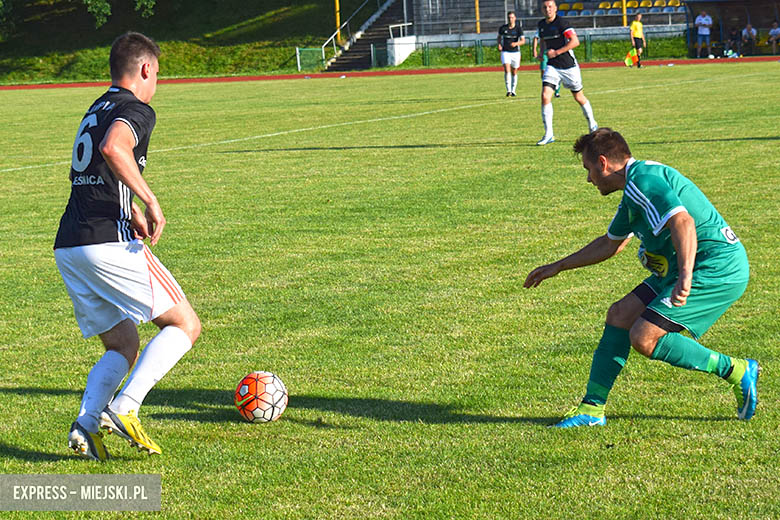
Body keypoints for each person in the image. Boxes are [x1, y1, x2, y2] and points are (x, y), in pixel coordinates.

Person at [524, 128, 758, 428]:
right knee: (620, 315)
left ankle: (738, 371)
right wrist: (558, 265)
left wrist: (685, 276)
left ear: (603, 163)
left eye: (588, 169)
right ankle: (591, 410)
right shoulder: (635, 188)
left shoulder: (643, 182)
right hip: (680, 268)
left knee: (643, 337)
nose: (588, 179)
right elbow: (610, 243)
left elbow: (682, 221)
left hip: (715, 268)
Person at [55, 32, 201, 461]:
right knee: (184, 325)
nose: (157, 83)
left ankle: (86, 423)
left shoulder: (97, 105)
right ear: (145, 69)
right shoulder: (135, 108)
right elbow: (114, 148)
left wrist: (128, 206)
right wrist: (149, 200)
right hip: (105, 242)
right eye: (158, 74)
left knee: (122, 343)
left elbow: (91, 169)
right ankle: (125, 407)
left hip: (70, 246)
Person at [533, 0, 597, 146]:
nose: (547, 9)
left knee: (579, 97)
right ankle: (549, 134)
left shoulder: (563, 23)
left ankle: (592, 124)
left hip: (568, 66)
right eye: (544, 7)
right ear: (542, 10)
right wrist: (542, 52)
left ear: (555, 8)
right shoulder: (542, 25)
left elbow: (575, 42)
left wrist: (556, 52)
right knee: (545, 96)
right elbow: (543, 40)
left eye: (550, 7)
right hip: (553, 66)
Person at [497, 11, 526, 97]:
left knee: (514, 71)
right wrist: (499, 44)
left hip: (516, 52)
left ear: (515, 18)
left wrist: (516, 44)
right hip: (505, 52)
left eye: (512, 17)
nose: (511, 19)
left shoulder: (518, 29)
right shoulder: (503, 28)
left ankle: (513, 90)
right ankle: (508, 90)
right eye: (509, 17)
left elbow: (523, 41)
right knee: (507, 69)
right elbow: (499, 37)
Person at [533, 29, 561, 98]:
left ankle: (557, 91)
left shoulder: (558, 26)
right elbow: (536, 38)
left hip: (555, 52)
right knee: (543, 71)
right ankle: (547, 87)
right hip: (545, 52)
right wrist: (534, 50)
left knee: (558, 71)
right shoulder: (543, 26)